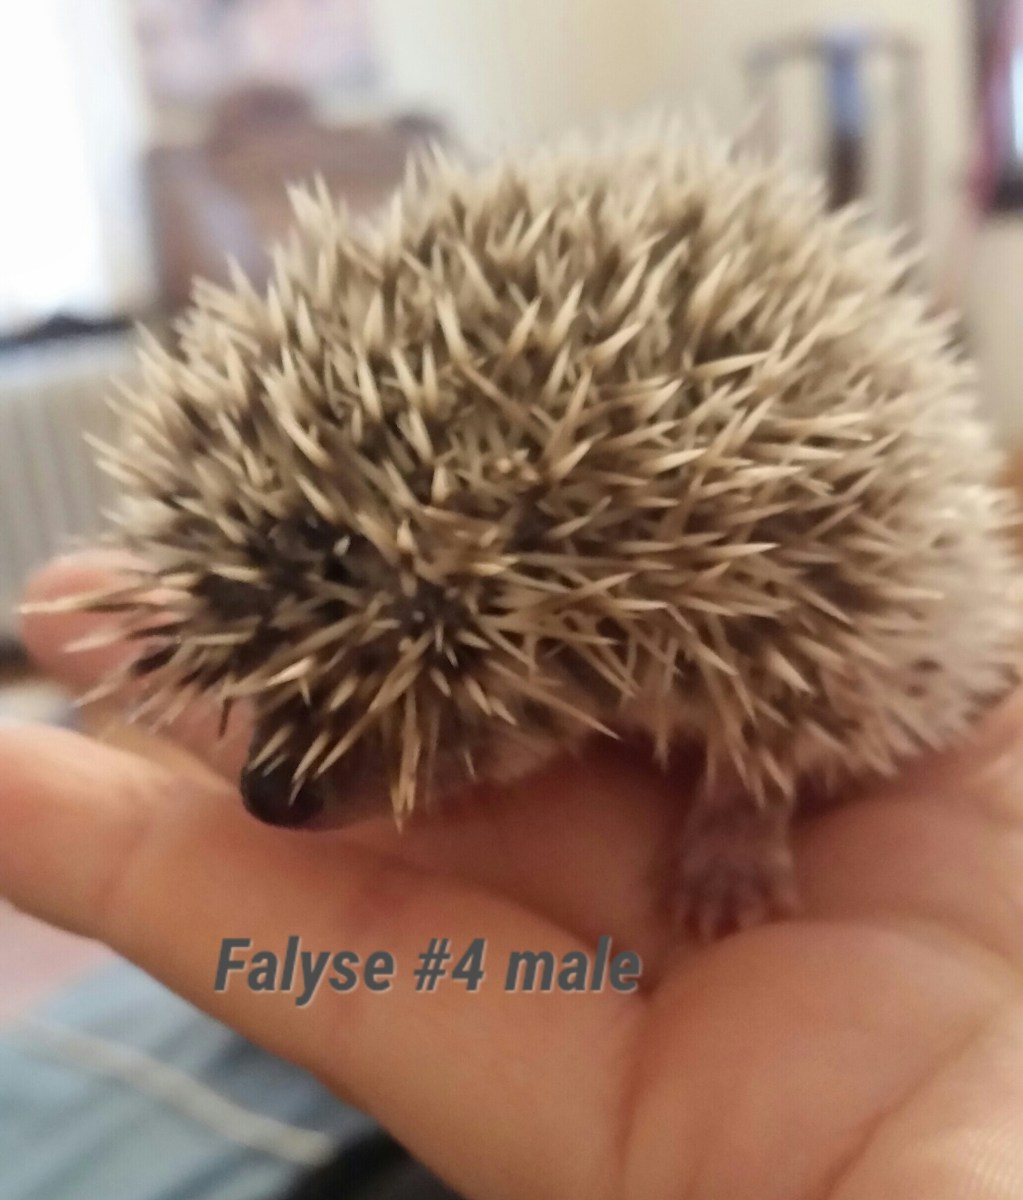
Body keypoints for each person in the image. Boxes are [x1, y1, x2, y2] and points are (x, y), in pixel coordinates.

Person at [2, 550, 1023, 1199]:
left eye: (414, 725)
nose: (279, 782)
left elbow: (808, 688)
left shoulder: (754, 625)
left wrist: (740, 813)